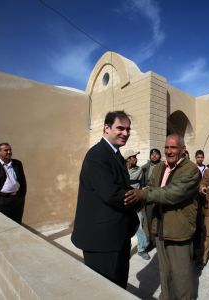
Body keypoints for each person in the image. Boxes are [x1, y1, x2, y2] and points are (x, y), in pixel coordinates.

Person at [124, 134, 200, 300]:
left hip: (179, 231)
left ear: (183, 150)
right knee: (165, 273)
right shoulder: (159, 168)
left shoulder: (191, 170)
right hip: (160, 229)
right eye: (166, 147)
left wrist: (143, 193)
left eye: (173, 147)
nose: (169, 151)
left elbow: (172, 193)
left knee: (181, 277)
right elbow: (151, 187)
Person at [71, 110, 140, 289]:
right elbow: (113, 194)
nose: (125, 133)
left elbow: (122, 187)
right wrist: (142, 197)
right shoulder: (97, 155)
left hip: (117, 236)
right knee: (105, 290)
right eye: (120, 128)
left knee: (118, 286)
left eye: (128, 129)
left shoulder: (115, 153)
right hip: (102, 241)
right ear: (106, 128)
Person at [124, 149, 151, 260]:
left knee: (139, 225)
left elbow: (143, 184)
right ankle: (125, 249)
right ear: (128, 159)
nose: (136, 158)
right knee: (124, 227)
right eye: (133, 156)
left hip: (136, 203)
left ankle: (141, 249)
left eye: (136, 156)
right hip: (124, 202)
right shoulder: (121, 169)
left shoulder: (139, 170)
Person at [140, 148, 162, 248]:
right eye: (152, 154)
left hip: (161, 197)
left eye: (156, 154)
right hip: (149, 197)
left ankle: (159, 240)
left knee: (160, 219)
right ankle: (151, 241)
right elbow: (142, 182)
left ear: (160, 156)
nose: (154, 156)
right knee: (149, 219)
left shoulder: (164, 167)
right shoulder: (144, 168)